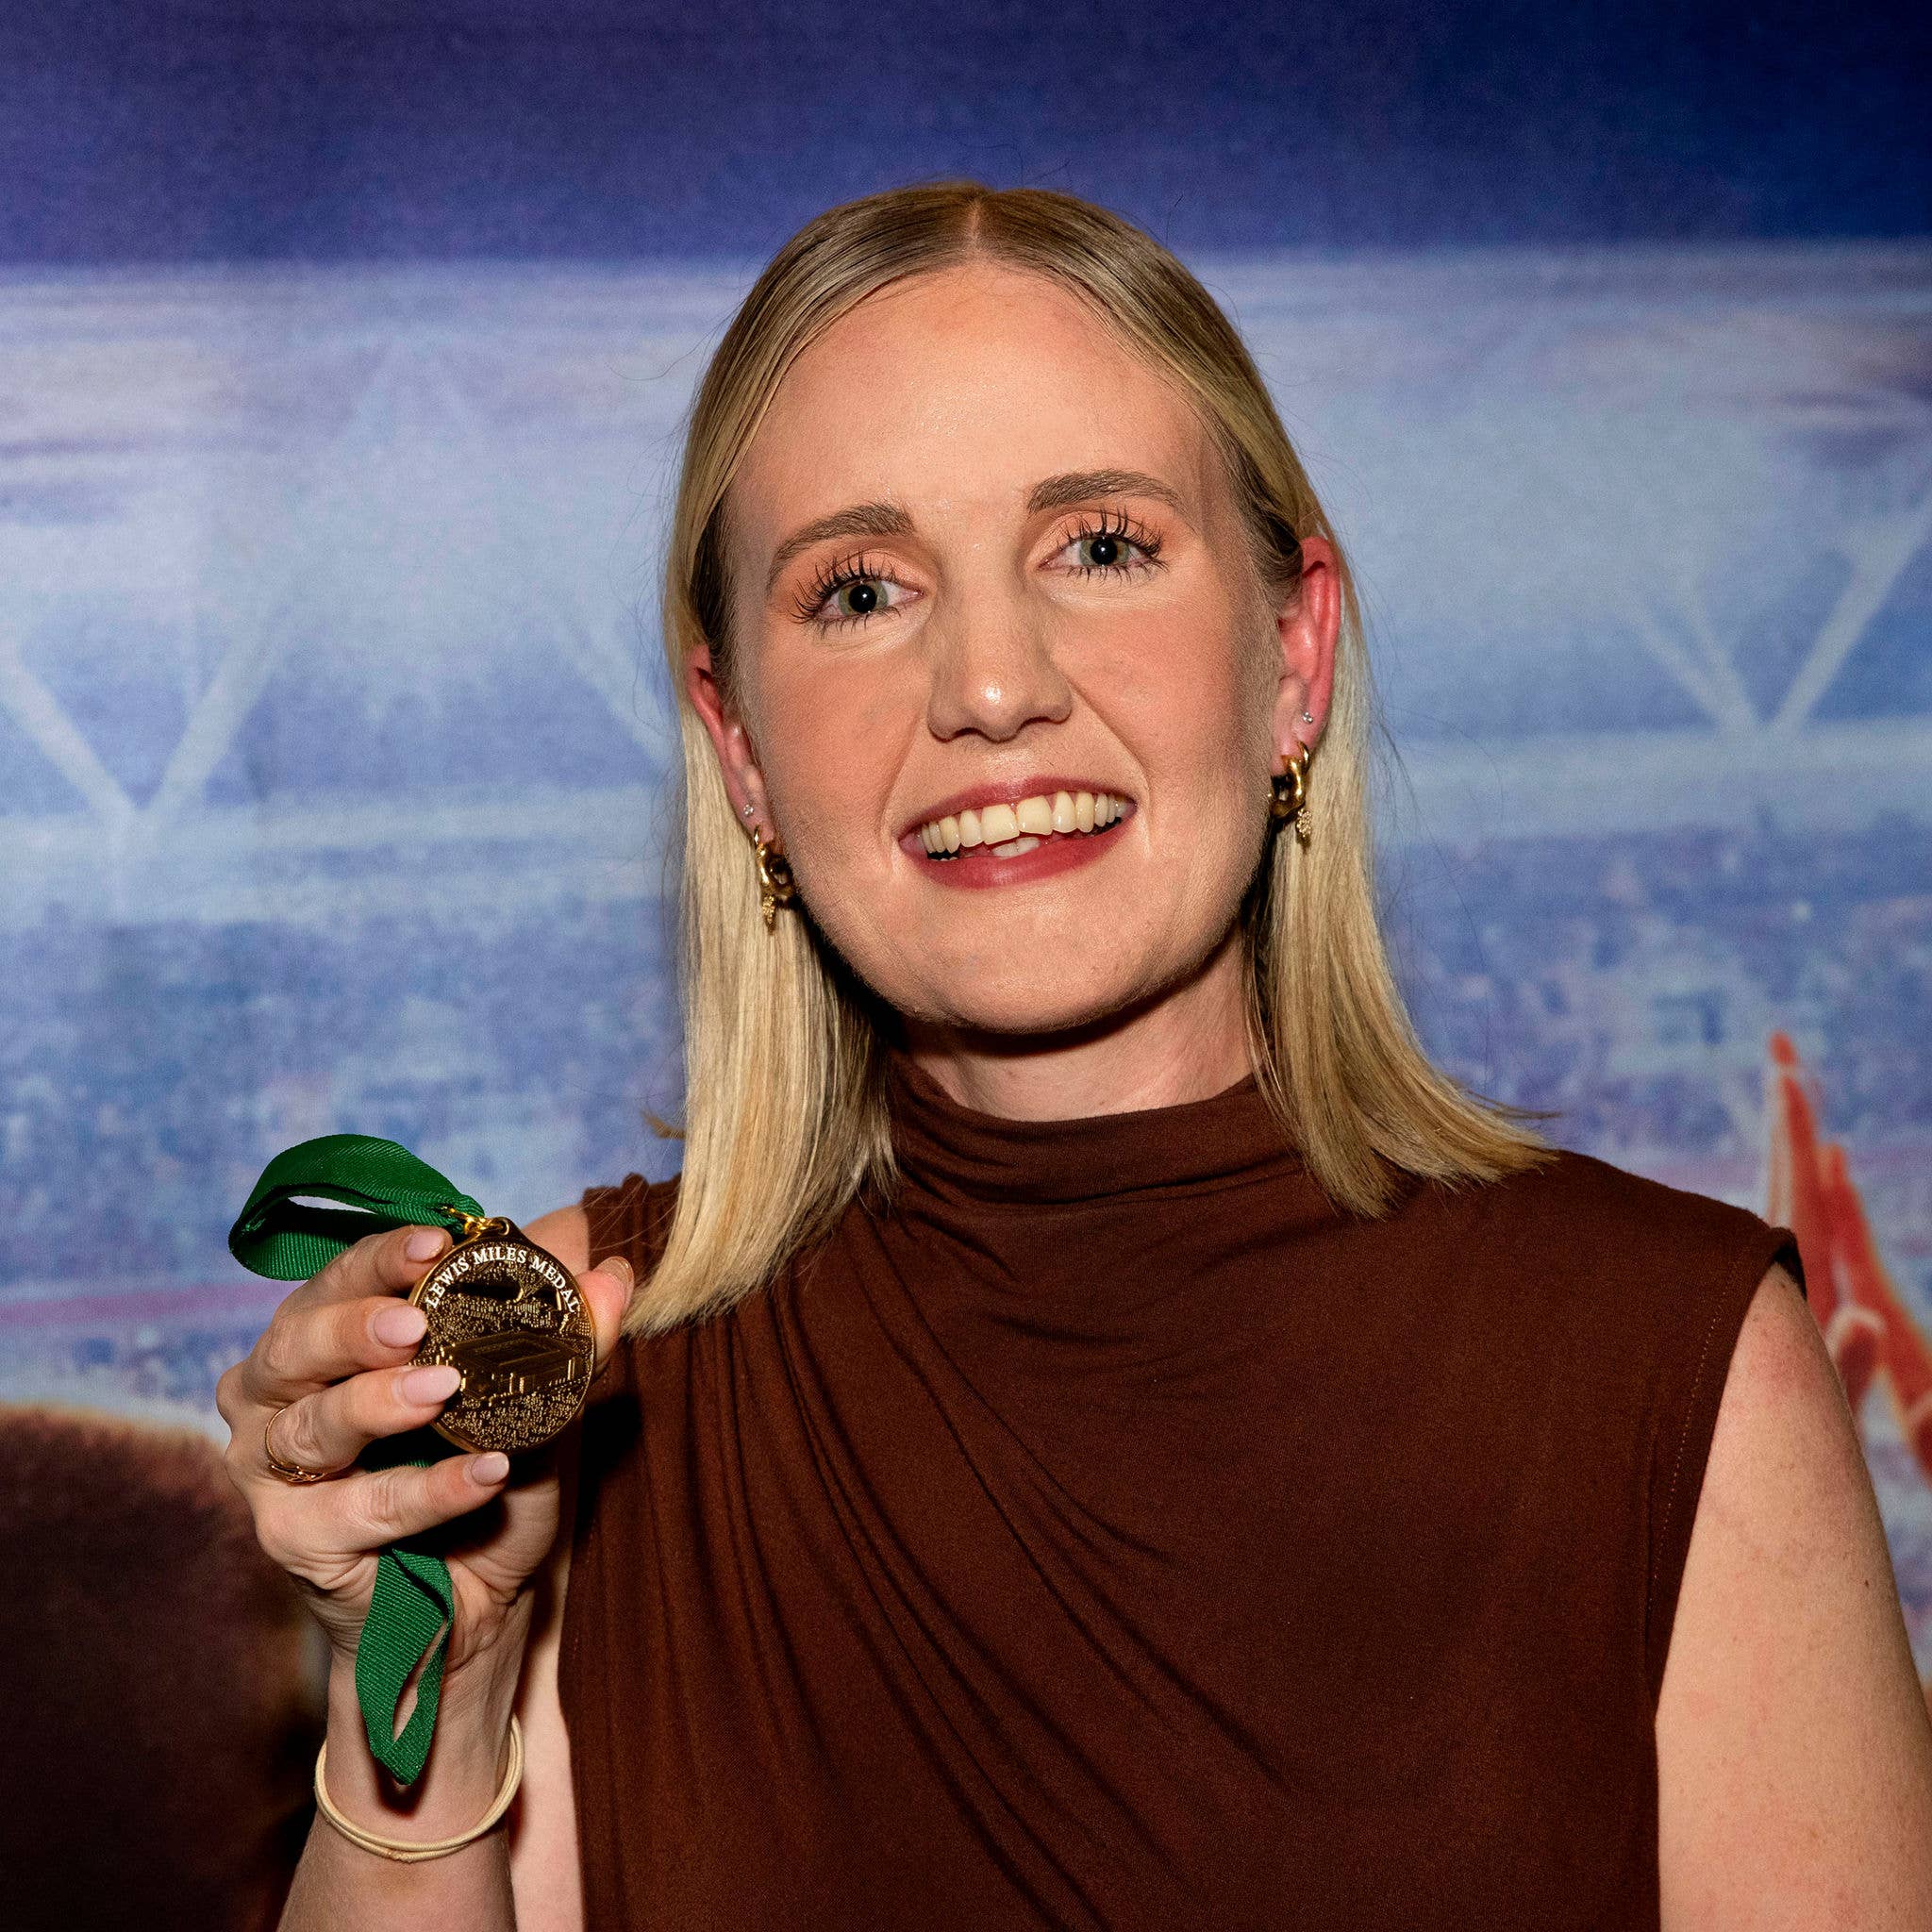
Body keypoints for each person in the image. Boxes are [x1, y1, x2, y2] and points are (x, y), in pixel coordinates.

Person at [216, 183, 1932, 1928]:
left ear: (1293, 654)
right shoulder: (588, 1367)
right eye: (864, 589)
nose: (991, 683)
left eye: (1101, 547)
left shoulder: (1679, 1362)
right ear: (738, 749)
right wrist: (435, 1702)